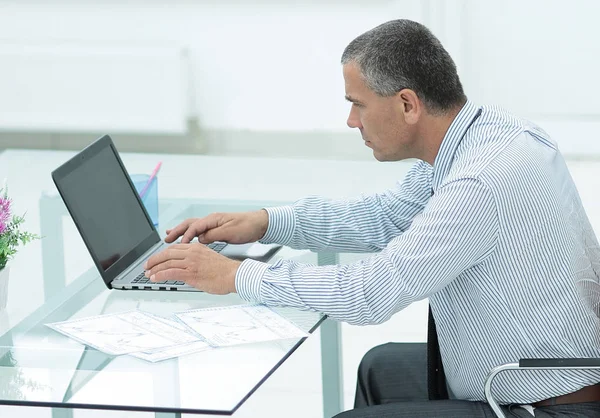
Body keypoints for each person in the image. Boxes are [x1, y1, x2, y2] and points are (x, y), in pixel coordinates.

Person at [144, 19, 600, 418]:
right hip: (531, 368)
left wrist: (236, 275)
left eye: (357, 103)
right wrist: (266, 222)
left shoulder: (479, 183)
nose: (350, 120)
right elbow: (384, 216)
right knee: (379, 368)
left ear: (407, 104)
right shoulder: (482, 134)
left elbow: (369, 294)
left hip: (544, 403)